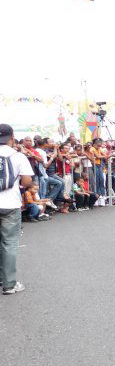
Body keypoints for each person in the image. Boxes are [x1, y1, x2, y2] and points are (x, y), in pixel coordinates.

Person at [0, 124, 34, 294]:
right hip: (10, 204)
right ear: (12, 137)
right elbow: (27, 181)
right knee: (9, 243)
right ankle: (9, 284)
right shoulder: (18, 156)